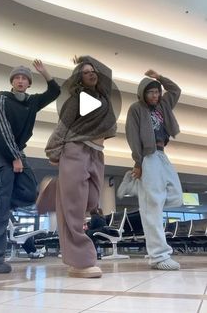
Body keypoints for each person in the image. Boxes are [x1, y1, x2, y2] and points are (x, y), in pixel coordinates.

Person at [0, 60, 60, 273]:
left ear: (29, 83)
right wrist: (14, 156)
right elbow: (1, 130)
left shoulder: (31, 102)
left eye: (24, 78)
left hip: (16, 153)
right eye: (17, 78)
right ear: (12, 82)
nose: (20, 81)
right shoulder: (2, 99)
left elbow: (55, 91)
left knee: (30, 191)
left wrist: (44, 73)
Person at [37, 55, 117, 278]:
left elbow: (107, 71)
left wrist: (86, 58)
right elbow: (62, 127)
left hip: (97, 153)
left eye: (93, 70)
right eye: (85, 71)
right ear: (79, 78)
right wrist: (54, 151)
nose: (91, 73)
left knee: (91, 201)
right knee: (73, 208)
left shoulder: (104, 96)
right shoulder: (77, 98)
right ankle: (82, 262)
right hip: (75, 148)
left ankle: (55, 188)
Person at [120, 69, 183, 270]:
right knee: (152, 208)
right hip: (147, 156)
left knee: (175, 196)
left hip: (161, 154)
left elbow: (175, 89)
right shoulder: (136, 109)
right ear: (142, 94)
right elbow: (132, 136)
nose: (155, 95)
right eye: (151, 92)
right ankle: (159, 256)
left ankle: (140, 190)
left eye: (157, 91)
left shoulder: (163, 104)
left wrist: (159, 78)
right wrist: (138, 164)